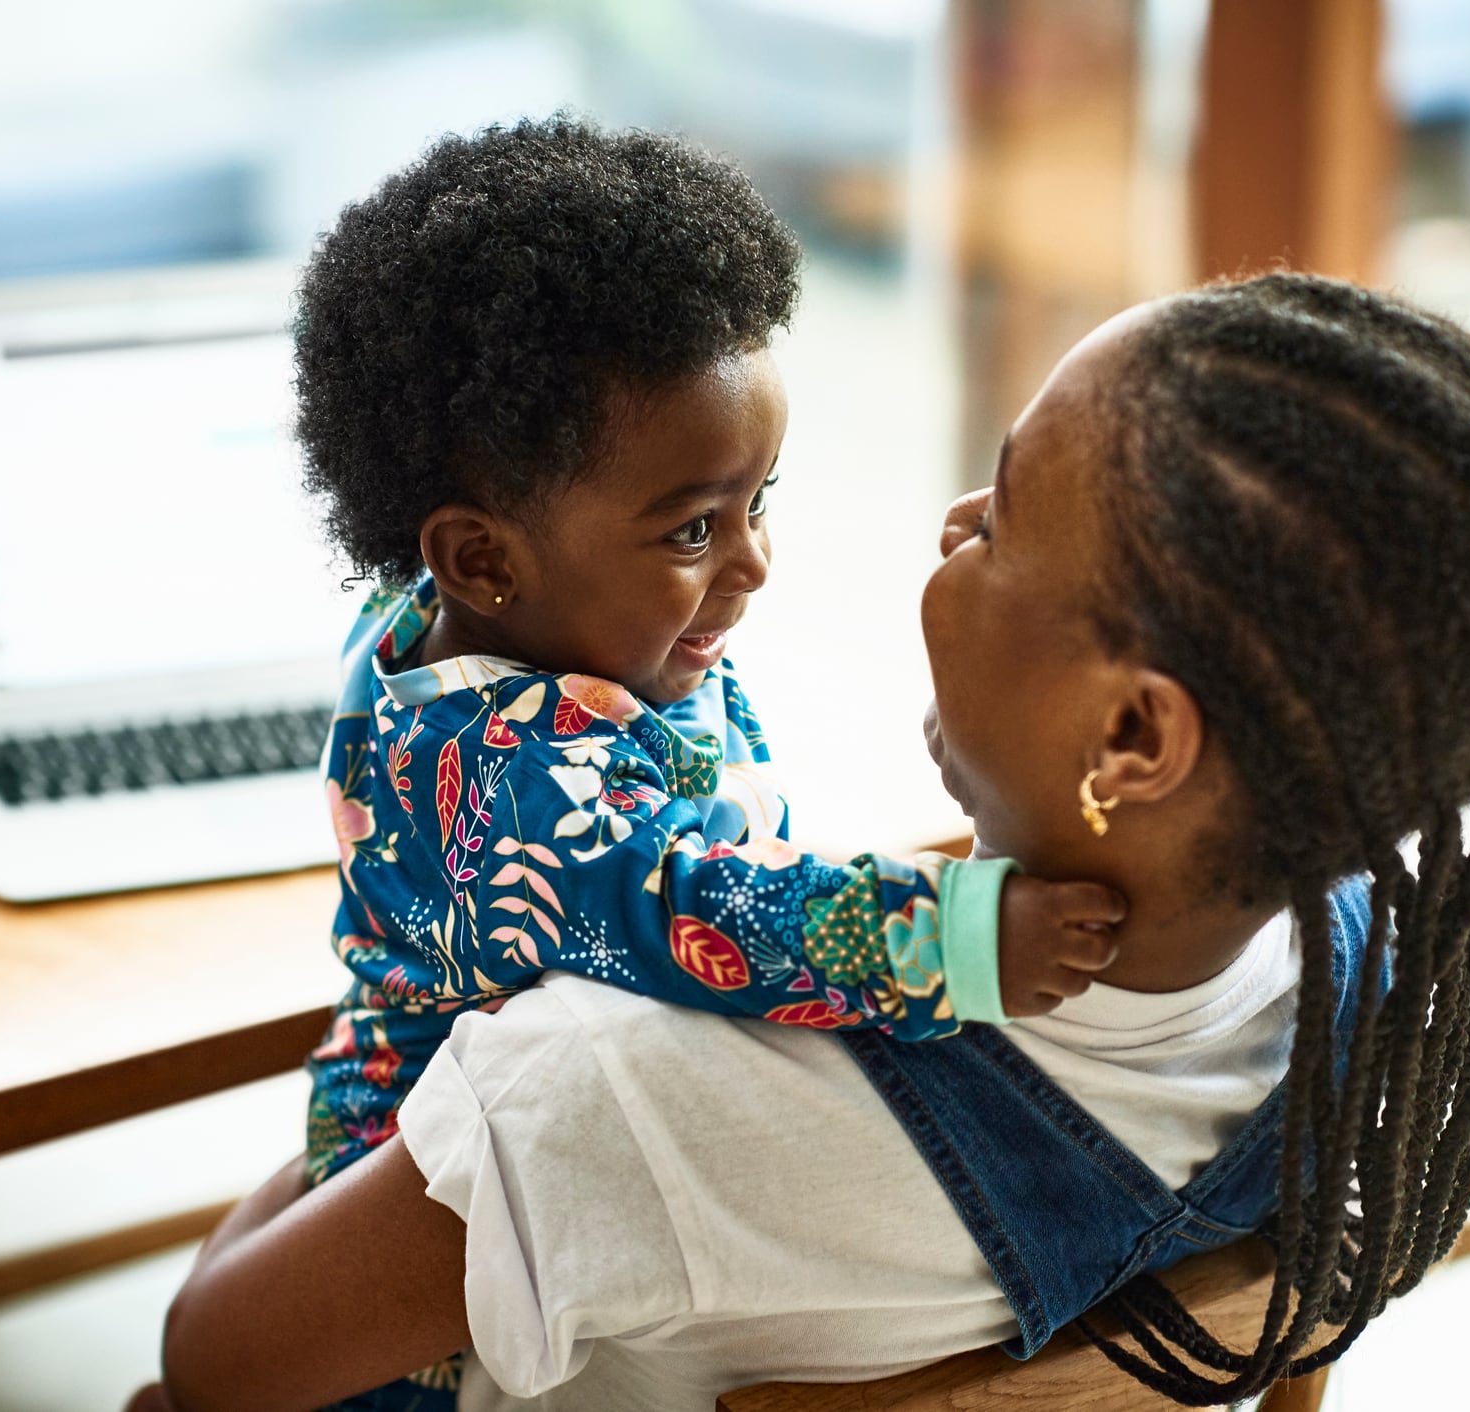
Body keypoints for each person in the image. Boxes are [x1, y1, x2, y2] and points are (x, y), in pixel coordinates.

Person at [145, 273, 1470, 1412]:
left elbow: (219, 1364)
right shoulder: (1381, 982)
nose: (958, 519)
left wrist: (394, 1058)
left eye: (1010, 513)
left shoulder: (602, 1094)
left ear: (1134, 743)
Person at [292, 117, 1123, 1410]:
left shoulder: (505, 620)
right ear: (483, 558)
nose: (751, 563)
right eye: (692, 526)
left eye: (760, 501)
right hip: (426, 1190)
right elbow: (696, 911)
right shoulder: (514, 781)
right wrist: (953, 937)